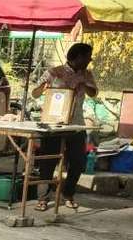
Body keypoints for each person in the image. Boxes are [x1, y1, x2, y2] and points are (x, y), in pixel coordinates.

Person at [31, 42, 97, 211]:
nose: (89, 60)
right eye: (87, 57)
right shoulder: (54, 72)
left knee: (78, 162)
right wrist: (43, 87)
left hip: (76, 124)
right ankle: (43, 198)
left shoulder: (87, 74)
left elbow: (93, 93)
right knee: (48, 161)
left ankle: (68, 194)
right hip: (54, 124)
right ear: (78, 57)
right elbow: (35, 93)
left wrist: (84, 84)